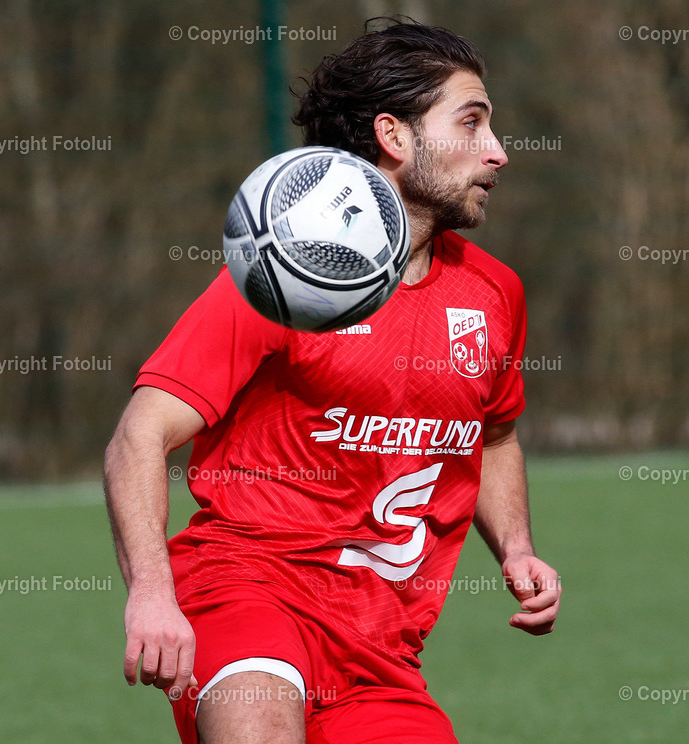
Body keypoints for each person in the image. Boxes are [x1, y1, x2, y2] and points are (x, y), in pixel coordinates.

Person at [104, 17, 561, 744]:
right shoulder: (286, 276)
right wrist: (152, 595)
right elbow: (140, 435)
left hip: (382, 643)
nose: (498, 153)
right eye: (471, 123)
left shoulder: (494, 294)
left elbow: (495, 434)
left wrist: (515, 548)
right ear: (394, 134)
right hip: (245, 588)